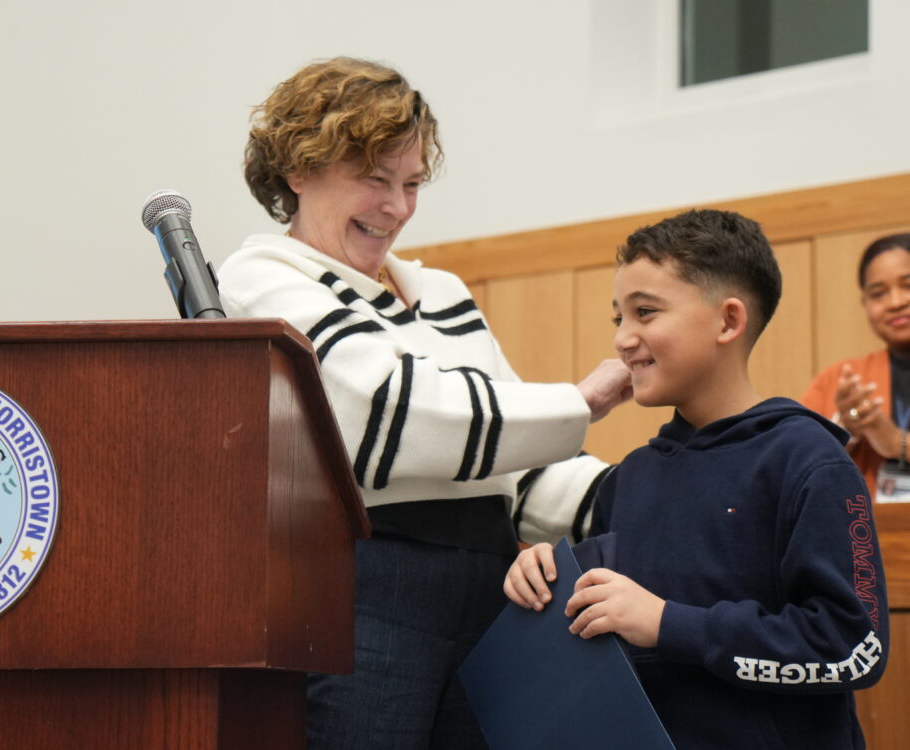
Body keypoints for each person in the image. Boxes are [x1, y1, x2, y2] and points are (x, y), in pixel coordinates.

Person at [217, 57, 631, 749]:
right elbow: (387, 418)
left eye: (411, 183)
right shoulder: (259, 279)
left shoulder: (442, 292)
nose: (398, 208)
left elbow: (516, 468)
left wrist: (652, 494)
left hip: (498, 593)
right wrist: (580, 402)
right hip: (368, 591)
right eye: (374, 179)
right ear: (297, 169)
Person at [504, 209, 889, 749]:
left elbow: (853, 650)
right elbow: (607, 616)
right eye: (619, 317)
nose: (623, 338)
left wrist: (670, 625)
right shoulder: (630, 478)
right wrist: (547, 572)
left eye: (645, 312)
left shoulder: (808, 461)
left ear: (728, 322)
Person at [802, 233, 910, 502]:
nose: (896, 302)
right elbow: (797, 464)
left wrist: (897, 442)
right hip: (868, 538)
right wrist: (846, 433)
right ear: (865, 304)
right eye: (878, 293)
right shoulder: (840, 380)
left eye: (907, 285)